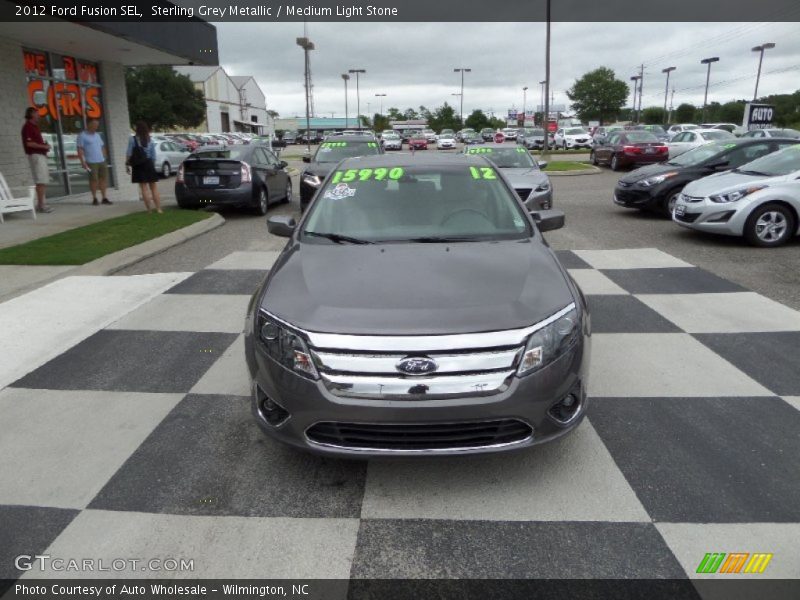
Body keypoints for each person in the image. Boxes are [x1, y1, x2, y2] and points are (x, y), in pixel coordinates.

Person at [125, 121, 162, 213]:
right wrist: (152, 165)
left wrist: (126, 164)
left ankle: (149, 210)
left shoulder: (132, 139)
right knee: (154, 187)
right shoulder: (150, 139)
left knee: (143, 188)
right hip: (149, 163)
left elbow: (129, 153)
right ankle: (158, 209)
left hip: (138, 165)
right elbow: (153, 156)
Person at [21, 107, 52, 213]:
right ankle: (41, 205)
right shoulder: (28, 127)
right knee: (40, 181)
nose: (39, 115)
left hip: (40, 155)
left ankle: (41, 203)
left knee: (42, 181)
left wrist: (45, 146)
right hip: (36, 156)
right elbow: (29, 143)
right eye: (37, 114)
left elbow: (35, 142)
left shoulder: (35, 127)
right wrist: (44, 147)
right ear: (31, 114)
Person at [77, 118, 111, 205]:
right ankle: (94, 198)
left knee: (103, 179)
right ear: (89, 125)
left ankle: (104, 198)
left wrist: (105, 156)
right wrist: (83, 162)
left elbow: (102, 146)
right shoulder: (82, 135)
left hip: (101, 161)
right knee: (94, 180)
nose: (96, 127)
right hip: (91, 162)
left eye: (97, 125)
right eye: (94, 125)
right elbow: (80, 149)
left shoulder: (97, 135)